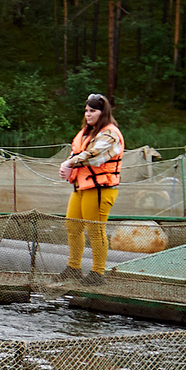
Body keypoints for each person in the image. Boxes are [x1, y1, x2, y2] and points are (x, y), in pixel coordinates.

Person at [58, 93, 122, 282]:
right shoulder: (86, 132)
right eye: (86, 110)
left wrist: (68, 164)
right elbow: (77, 152)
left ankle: (97, 272)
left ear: (102, 113)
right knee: (73, 226)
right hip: (81, 188)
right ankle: (73, 267)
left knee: (95, 230)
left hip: (101, 189)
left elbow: (93, 155)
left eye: (92, 111)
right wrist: (69, 167)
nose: (88, 114)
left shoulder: (110, 133)